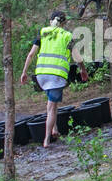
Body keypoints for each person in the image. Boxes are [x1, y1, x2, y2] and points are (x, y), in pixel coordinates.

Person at [19, 10, 88, 148]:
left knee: (51, 104)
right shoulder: (67, 36)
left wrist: (24, 71)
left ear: (51, 21)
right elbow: (76, 56)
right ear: (64, 23)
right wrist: (83, 69)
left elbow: (31, 54)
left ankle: (54, 129)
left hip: (42, 75)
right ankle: (47, 139)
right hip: (56, 75)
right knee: (52, 108)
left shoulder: (43, 32)